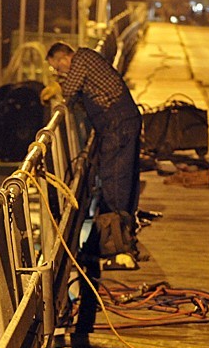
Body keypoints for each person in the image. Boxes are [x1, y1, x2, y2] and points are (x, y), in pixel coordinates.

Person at [40, 41, 143, 270]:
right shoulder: (87, 60)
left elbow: (70, 91)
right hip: (122, 122)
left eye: (57, 67)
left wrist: (58, 88)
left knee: (114, 179)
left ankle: (117, 245)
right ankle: (120, 234)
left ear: (63, 58)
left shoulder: (81, 59)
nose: (59, 71)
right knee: (124, 178)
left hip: (117, 124)